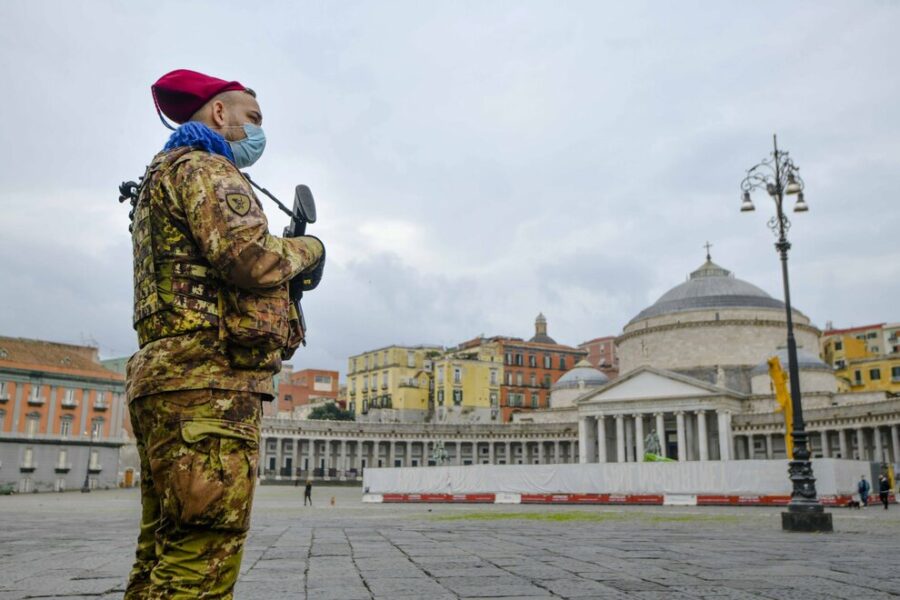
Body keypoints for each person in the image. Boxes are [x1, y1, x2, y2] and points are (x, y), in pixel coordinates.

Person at [124, 69, 325, 599]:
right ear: (219, 113)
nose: (259, 131)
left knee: (165, 549)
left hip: (167, 381)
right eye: (252, 118)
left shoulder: (160, 177)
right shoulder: (206, 170)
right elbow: (251, 260)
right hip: (208, 387)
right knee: (201, 557)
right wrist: (311, 250)